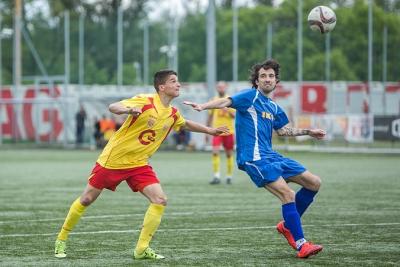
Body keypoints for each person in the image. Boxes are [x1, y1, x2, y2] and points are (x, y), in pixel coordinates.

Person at [54, 70, 229, 260]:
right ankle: (61, 239)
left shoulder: (172, 112)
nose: (178, 84)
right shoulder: (145, 101)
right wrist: (128, 110)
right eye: (173, 81)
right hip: (113, 160)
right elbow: (114, 106)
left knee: (160, 200)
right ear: (162, 87)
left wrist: (210, 130)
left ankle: (141, 249)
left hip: (139, 164)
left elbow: (184, 124)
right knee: (87, 199)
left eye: (178, 81)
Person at [184, 59, 326, 259]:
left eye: (271, 76)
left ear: (276, 81)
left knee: (314, 182)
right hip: (253, 159)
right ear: (257, 81)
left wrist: (308, 131)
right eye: (263, 76)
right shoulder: (250, 97)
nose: (267, 79)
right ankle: (301, 244)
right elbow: (226, 101)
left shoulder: (274, 107)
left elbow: (283, 130)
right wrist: (203, 105)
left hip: (272, 156)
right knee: (288, 195)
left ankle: (287, 226)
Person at [206, 81, 235, 185]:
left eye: (222, 87)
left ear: (226, 88)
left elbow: (234, 116)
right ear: (216, 88)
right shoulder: (214, 100)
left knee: (228, 154)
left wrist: (226, 109)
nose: (220, 89)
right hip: (216, 131)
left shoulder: (231, 100)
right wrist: (207, 130)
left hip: (228, 131)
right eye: (219, 87)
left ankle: (229, 176)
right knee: (215, 152)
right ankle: (216, 176)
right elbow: (209, 116)